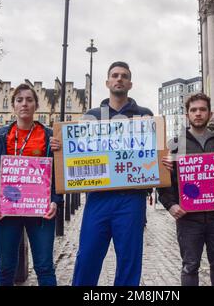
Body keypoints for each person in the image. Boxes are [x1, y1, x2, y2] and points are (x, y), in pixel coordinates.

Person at [51, 61, 153, 286]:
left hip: (132, 199)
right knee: (87, 257)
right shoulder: (92, 116)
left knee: (129, 261)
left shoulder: (145, 116)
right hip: (98, 198)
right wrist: (61, 147)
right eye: (115, 75)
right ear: (107, 82)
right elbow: (76, 152)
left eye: (124, 76)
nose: (119, 79)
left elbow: (153, 154)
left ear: (130, 83)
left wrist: (162, 161)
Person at [0, 83, 63, 286]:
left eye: (29, 100)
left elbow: (60, 174)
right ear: (13, 106)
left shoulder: (50, 137)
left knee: (44, 267)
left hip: (41, 211)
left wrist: (55, 200)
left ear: (36, 105)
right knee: (5, 268)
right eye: (19, 100)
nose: (24, 104)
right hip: (6, 210)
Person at [158, 93, 214, 286]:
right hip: (188, 218)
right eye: (193, 110)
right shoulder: (174, 145)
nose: (198, 113)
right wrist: (170, 205)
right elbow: (164, 182)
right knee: (189, 266)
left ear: (209, 114)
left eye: (202, 109)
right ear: (187, 115)